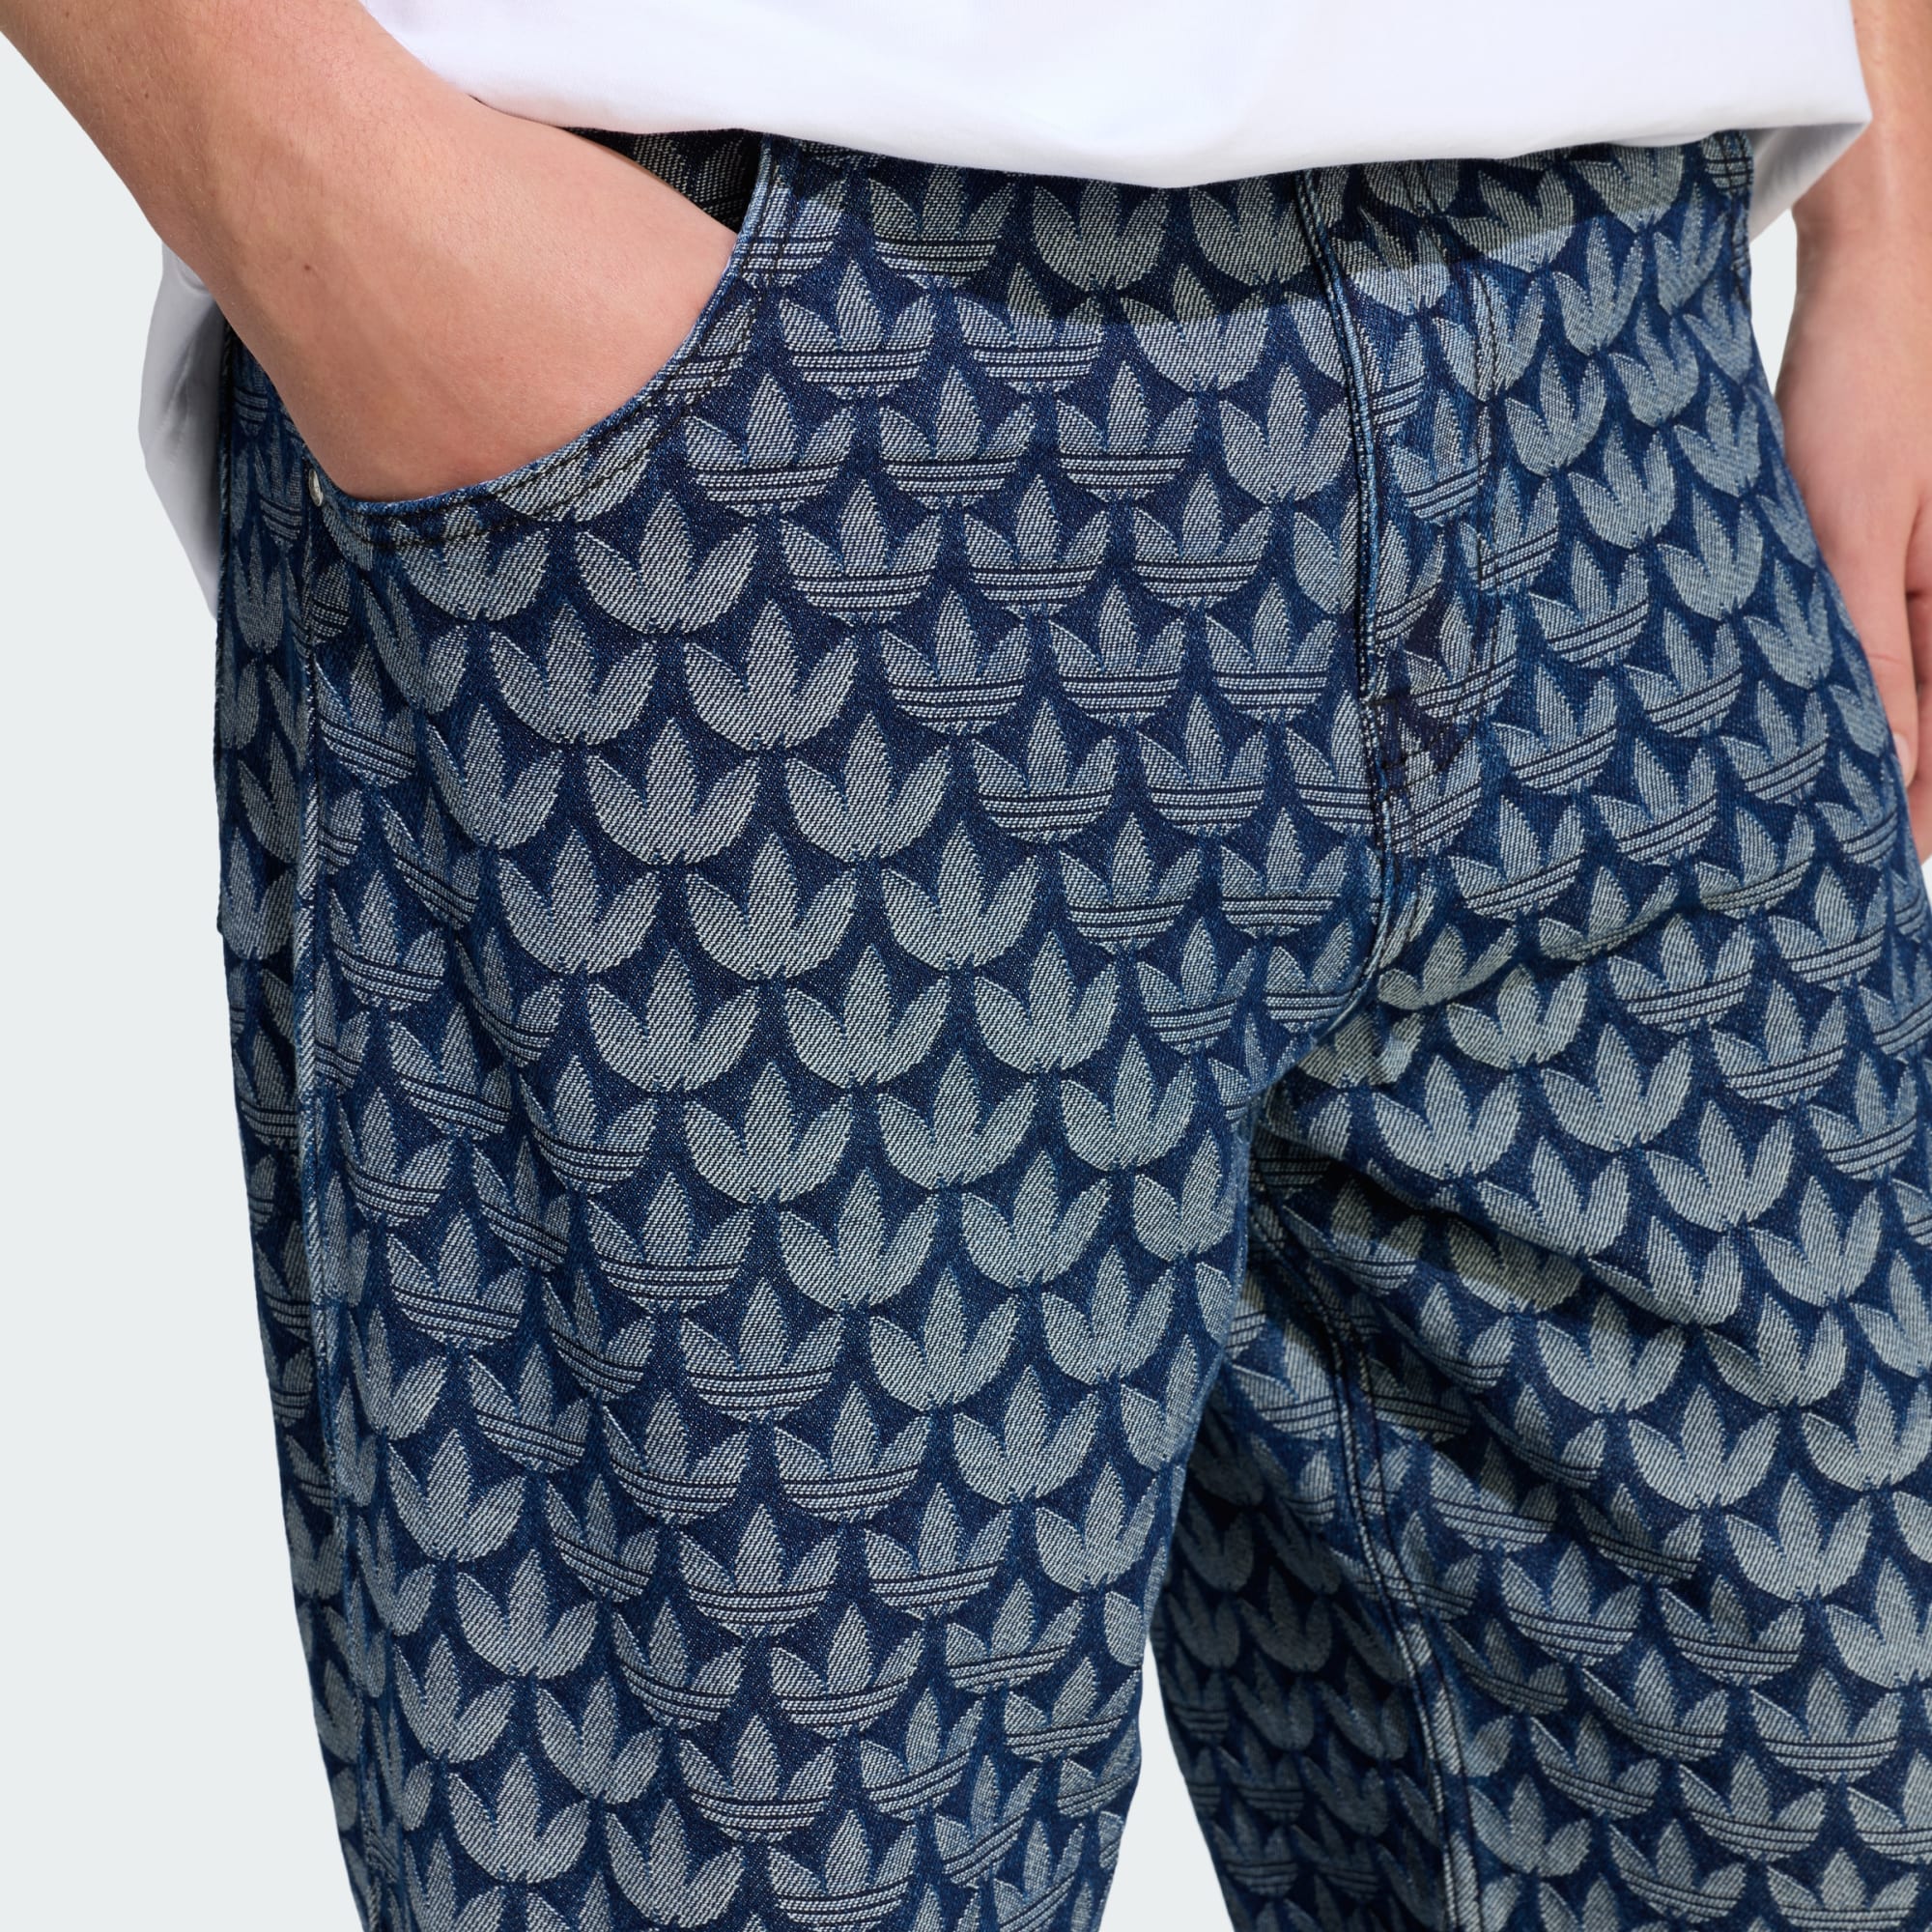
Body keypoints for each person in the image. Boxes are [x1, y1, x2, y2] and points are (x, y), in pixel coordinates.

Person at [6, 2, 1930, 1927]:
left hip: (1631, 419)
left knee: (1840, 1808)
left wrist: (1898, 210)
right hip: (751, 487)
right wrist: (311, 169)